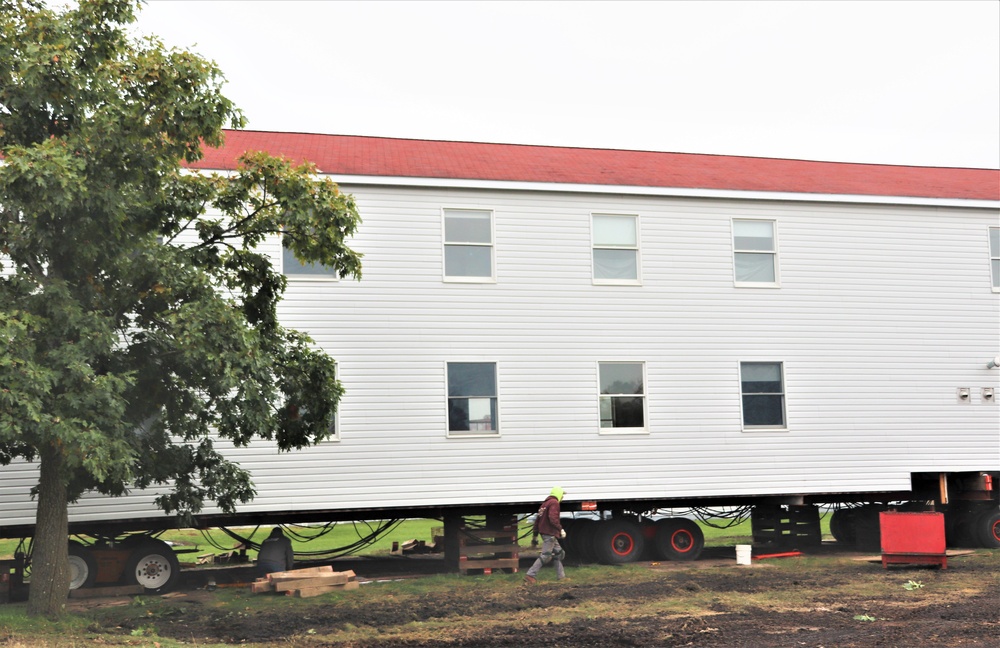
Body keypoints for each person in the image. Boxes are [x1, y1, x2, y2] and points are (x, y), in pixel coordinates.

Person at [524, 486, 567, 583]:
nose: (563, 497)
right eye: (562, 495)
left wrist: (534, 536)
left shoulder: (544, 504)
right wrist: (560, 529)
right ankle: (530, 575)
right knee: (546, 555)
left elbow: (537, 521)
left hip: (546, 533)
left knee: (559, 553)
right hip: (550, 533)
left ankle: (561, 577)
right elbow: (553, 518)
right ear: (558, 494)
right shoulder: (554, 503)